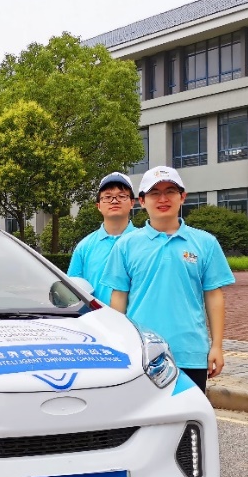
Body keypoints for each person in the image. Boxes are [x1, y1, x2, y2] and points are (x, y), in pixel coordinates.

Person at [103, 166, 235, 394]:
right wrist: (118, 344)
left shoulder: (205, 243)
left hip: (191, 353)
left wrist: (216, 346)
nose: (162, 199)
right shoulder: (126, 245)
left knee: (188, 414)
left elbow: (214, 296)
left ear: (182, 197)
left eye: (170, 192)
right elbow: (119, 298)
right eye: (154, 193)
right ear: (142, 201)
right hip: (141, 353)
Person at [67, 172, 137, 305]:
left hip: (136, 318)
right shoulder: (84, 247)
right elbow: (73, 293)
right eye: (107, 197)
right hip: (96, 317)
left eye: (122, 196)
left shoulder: (146, 243)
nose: (114, 201)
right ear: (98, 206)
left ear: (132, 203)